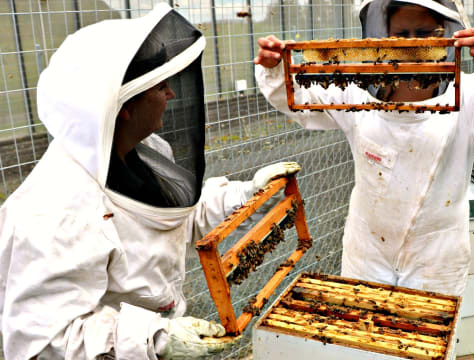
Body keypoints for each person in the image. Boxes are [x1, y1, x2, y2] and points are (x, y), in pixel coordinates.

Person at [0, 4, 300, 359]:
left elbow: (179, 215)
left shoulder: (146, 151)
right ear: (123, 105)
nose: (171, 94)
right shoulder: (53, 212)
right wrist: (154, 338)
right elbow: (43, 343)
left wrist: (248, 194)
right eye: (160, 86)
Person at [254, 0, 474, 297]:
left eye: (425, 33)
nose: (412, 44)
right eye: (402, 35)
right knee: (363, 337)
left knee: (427, 339)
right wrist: (276, 68)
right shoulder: (357, 94)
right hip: (368, 249)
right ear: (383, 37)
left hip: (437, 256)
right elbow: (300, 98)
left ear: (448, 35)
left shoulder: (468, 95)